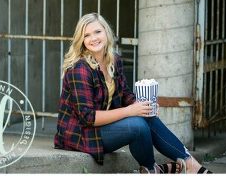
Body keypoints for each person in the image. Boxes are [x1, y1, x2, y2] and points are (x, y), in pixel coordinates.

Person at [55, 13, 211, 173]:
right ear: (81, 40)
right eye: (86, 35)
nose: (93, 38)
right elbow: (87, 117)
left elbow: (125, 95)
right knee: (137, 125)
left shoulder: (113, 60)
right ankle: (153, 169)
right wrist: (130, 111)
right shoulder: (80, 69)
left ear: (106, 32)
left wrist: (142, 105)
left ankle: (187, 164)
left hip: (102, 127)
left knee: (146, 116)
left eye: (97, 32)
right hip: (80, 134)